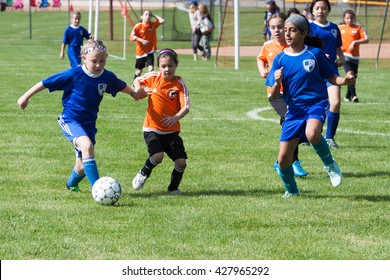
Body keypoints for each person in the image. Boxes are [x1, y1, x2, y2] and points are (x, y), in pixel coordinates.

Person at [17, 40, 140, 192]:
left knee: (81, 167)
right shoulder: (74, 74)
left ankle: (71, 184)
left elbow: (122, 86)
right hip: (70, 119)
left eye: (102, 61)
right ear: (84, 59)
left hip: (89, 124)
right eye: (94, 61)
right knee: (87, 146)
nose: (98, 65)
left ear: (106, 57)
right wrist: (25, 96)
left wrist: (135, 93)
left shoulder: (107, 77)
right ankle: (99, 190)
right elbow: (46, 82)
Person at [265, 14, 355, 198]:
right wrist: (276, 82)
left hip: (316, 103)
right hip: (294, 110)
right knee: (283, 160)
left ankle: (330, 165)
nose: (287, 34)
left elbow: (331, 77)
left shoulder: (315, 54)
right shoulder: (280, 59)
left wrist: (344, 81)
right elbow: (274, 95)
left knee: (312, 133)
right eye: (285, 30)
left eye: (292, 30)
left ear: (304, 33)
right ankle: (292, 190)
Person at [132, 49, 190, 194]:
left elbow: (186, 107)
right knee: (158, 156)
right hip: (152, 128)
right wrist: (139, 90)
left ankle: (173, 188)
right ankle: (143, 173)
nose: (167, 69)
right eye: (163, 66)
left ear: (176, 65)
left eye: (170, 65)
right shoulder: (153, 77)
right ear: (158, 66)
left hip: (171, 130)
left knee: (181, 162)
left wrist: (175, 117)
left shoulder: (179, 84)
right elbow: (137, 80)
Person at [257, 13, 307, 177]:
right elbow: (261, 58)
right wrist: (262, 70)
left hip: (294, 93)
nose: (277, 31)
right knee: (291, 122)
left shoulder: (293, 44)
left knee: (295, 125)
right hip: (276, 94)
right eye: (273, 27)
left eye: (280, 27)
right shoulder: (268, 45)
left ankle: (281, 162)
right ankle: (293, 162)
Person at [309, 0, 344, 149]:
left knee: (335, 102)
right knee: (310, 105)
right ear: (312, 11)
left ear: (328, 10)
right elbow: (305, 48)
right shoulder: (308, 27)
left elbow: (338, 48)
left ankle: (329, 137)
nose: (320, 11)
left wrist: (341, 57)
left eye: (324, 8)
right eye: (317, 8)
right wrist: (319, 55)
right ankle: (306, 135)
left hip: (331, 72)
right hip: (313, 72)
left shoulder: (334, 28)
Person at [339, 9, 369, 103]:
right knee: (350, 75)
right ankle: (354, 96)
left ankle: (347, 96)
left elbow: (366, 39)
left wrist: (355, 42)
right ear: (344, 19)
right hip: (345, 55)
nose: (349, 20)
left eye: (351, 18)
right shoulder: (340, 28)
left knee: (353, 77)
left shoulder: (358, 28)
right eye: (347, 18)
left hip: (355, 57)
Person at [130, 9, 165, 80]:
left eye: (149, 15)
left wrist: (154, 15)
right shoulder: (138, 26)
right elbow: (132, 36)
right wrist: (142, 40)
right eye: (146, 14)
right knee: (139, 71)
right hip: (140, 52)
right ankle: (135, 83)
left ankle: (150, 85)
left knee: (151, 69)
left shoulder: (152, 24)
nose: (148, 16)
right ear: (141, 16)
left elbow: (162, 20)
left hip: (150, 51)